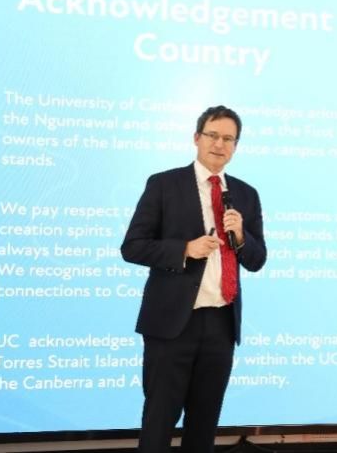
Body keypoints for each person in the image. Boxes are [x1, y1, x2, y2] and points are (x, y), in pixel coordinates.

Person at [121, 105, 267, 453]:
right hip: (172, 325)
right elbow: (133, 247)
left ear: (236, 146)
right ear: (197, 138)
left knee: (204, 425)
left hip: (221, 324)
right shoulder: (164, 185)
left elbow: (257, 260)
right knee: (159, 421)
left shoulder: (246, 194)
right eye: (213, 135)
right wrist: (184, 249)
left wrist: (241, 236)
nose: (220, 144)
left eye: (228, 139)